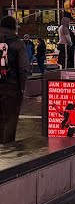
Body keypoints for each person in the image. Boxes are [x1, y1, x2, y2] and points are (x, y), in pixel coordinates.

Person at [0, 16, 29, 145]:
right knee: (11, 118)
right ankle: (8, 148)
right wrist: (23, 88)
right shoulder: (18, 43)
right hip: (12, 87)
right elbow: (23, 68)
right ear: (13, 27)